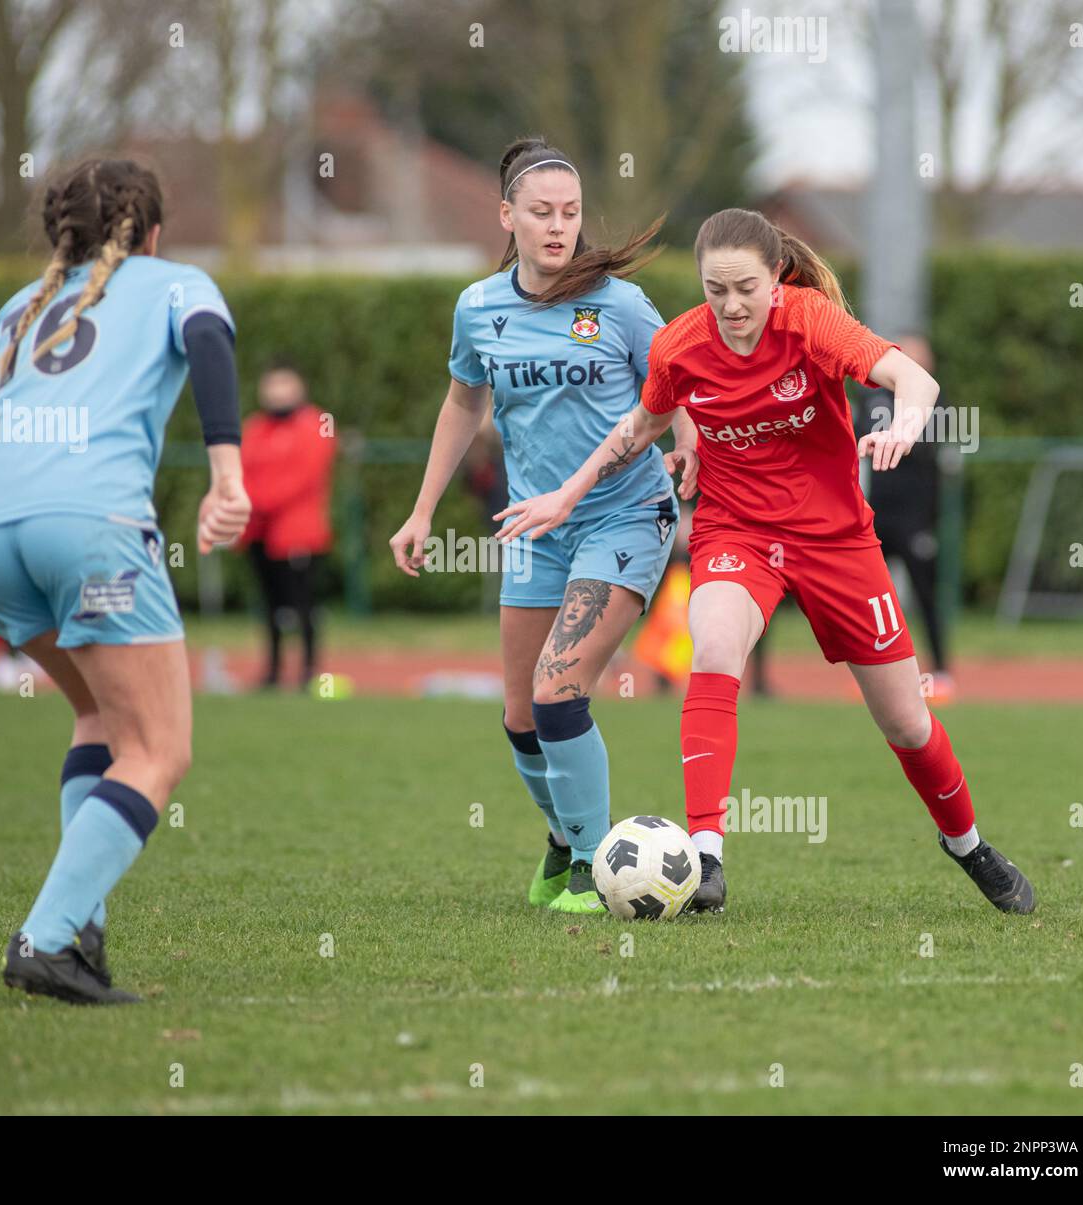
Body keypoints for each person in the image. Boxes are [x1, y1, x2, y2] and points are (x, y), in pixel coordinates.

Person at [495, 207, 1034, 916]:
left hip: (837, 539)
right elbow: (641, 426)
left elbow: (915, 381)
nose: (731, 304)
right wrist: (567, 493)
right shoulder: (681, 347)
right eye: (715, 288)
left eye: (745, 286)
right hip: (736, 530)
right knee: (713, 646)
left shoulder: (810, 320)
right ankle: (706, 857)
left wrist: (904, 424)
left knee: (907, 723)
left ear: (777, 278)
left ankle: (967, 844)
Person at [0, 158, 251, 1003]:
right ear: (151, 232)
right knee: (159, 750)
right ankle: (45, 942)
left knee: (97, 713)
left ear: (63, 236)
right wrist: (228, 478)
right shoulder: (175, 280)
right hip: (87, 528)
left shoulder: (15, 312)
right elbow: (207, 344)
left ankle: (80, 931)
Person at [390, 137, 700, 913]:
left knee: (561, 691)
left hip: (624, 512)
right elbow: (464, 402)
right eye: (542, 213)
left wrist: (689, 449)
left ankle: (597, 866)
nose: (559, 227)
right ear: (508, 216)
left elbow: (675, 386)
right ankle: (564, 837)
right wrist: (423, 508)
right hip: (535, 525)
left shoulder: (619, 305)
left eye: (570, 212)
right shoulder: (479, 307)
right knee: (521, 713)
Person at [855, 334, 952, 698]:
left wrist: (931, 521)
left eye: (918, 353)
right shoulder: (873, 397)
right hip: (877, 516)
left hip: (916, 519)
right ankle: (876, 674)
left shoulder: (934, 402)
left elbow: (931, 455)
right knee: (872, 599)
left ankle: (941, 670)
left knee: (926, 595)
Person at [238, 363, 336, 689]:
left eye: (285, 384)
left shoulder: (318, 422)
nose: (278, 392)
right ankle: (273, 672)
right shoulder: (254, 427)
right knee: (269, 606)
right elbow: (241, 469)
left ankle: (309, 672)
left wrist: (260, 500)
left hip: (297, 533)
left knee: (304, 604)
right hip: (258, 532)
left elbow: (307, 474)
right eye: (272, 384)